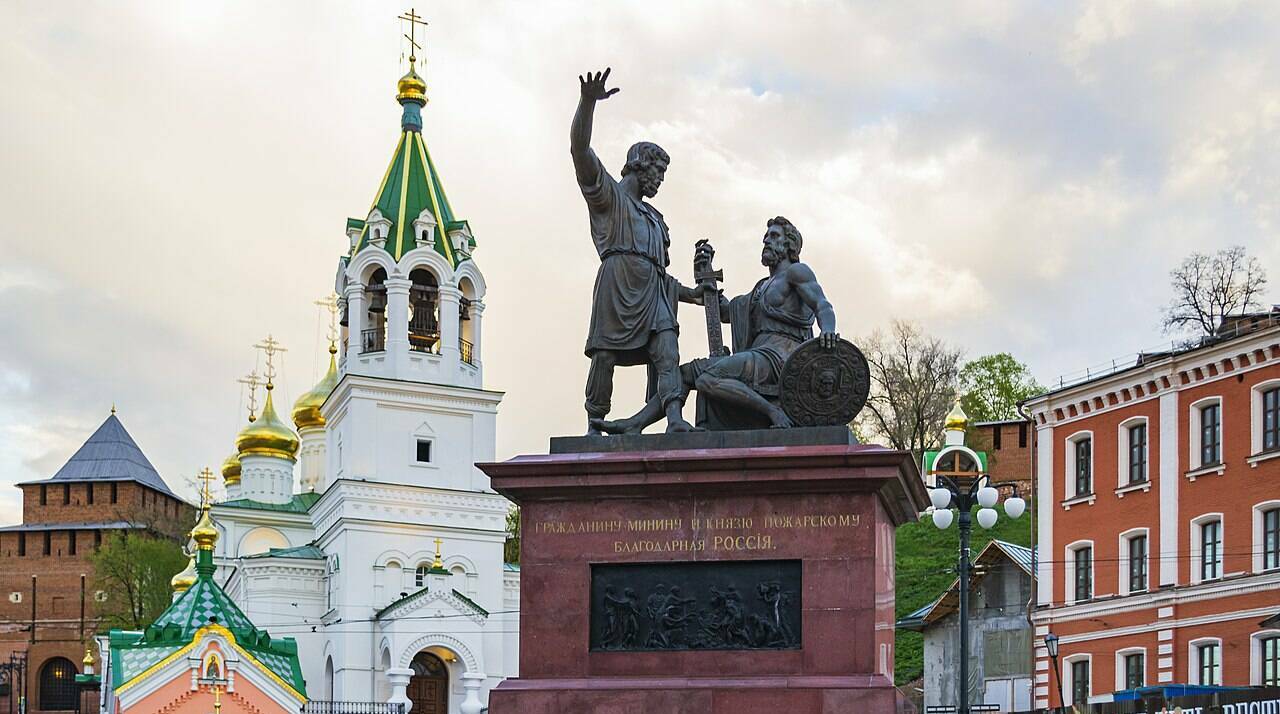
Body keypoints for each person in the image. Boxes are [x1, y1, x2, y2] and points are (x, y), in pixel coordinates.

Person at [593, 216, 839, 432]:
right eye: (765, 236)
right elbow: (726, 312)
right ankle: (636, 424)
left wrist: (828, 331)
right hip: (758, 355)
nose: (766, 241)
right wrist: (706, 277)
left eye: (774, 236)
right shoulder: (760, 288)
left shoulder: (798, 272)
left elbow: (822, 305)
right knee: (684, 373)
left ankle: (773, 411)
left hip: (779, 358)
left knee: (708, 378)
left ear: (789, 245)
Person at [571, 68, 696, 435]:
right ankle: (595, 423)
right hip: (617, 284)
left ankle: (674, 419)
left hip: (654, 294)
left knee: (667, 347)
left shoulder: (656, 219)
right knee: (604, 356)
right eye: (656, 171)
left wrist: (693, 294)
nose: (659, 180)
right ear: (639, 166)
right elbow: (580, 150)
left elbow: (662, 274)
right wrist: (588, 102)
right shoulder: (608, 197)